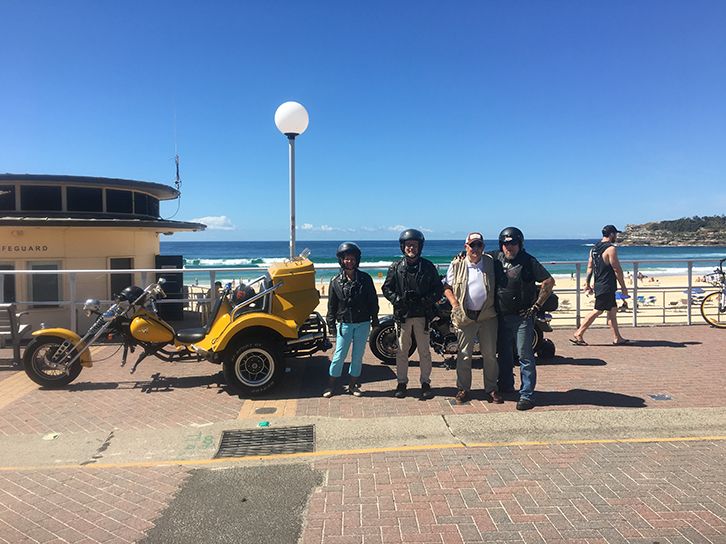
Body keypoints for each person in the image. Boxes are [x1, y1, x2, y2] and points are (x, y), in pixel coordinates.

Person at [489, 227, 555, 411]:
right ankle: (506, 385)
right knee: (503, 353)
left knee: (525, 356)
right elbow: (476, 254)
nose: (509, 247)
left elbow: (548, 281)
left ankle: (527, 394)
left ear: (520, 244)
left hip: (522, 318)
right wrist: (463, 254)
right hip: (501, 316)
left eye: (513, 243)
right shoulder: (495, 256)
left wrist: (536, 306)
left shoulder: (529, 261)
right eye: (505, 243)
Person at [382, 229, 444, 399]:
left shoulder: (428, 266)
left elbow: (438, 289)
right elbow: (386, 288)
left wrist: (425, 300)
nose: (411, 248)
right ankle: (401, 382)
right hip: (403, 315)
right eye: (408, 245)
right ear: (403, 247)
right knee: (402, 351)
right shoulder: (396, 267)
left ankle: (425, 382)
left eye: (414, 245)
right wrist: (399, 300)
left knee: (424, 352)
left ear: (420, 247)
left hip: (422, 316)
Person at [443, 233, 501, 404]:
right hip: (465, 316)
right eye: (472, 245)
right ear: (466, 247)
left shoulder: (491, 262)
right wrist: (454, 304)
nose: (475, 248)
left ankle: (491, 388)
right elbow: (447, 287)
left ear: (483, 247)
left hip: (488, 316)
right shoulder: (456, 265)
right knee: (464, 356)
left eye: (479, 245)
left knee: (490, 355)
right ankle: (463, 388)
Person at [324, 242, 379, 398]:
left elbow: (373, 301)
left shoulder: (366, 279)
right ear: (341, 260)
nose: (349, 261)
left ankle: (353, 385)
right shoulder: (335, 281)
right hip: (344, 324)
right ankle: (330, 385)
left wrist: (375, 321)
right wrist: (331, 325)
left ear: (357, 259)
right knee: (339, 355)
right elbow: (331, 306)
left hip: (363, 323)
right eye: (346, 258)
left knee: (357, 356)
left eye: (352, 258)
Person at [572, 225, 630, 346]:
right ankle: (579, 333)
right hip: (607, 285)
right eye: (616, 234)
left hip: (599, 284)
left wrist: (587, 283)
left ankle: (617, 338)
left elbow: (589, 267)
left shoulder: (594, 249)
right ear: (612, 234)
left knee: (612, 310)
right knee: (598, 310)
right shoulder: (611, 249)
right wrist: (624, 287)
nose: (616, 237)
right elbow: (617, 269)